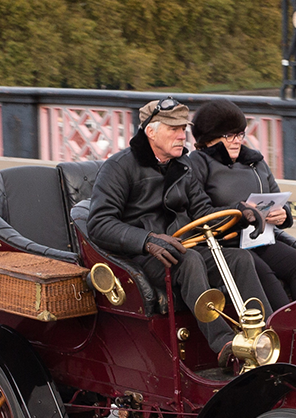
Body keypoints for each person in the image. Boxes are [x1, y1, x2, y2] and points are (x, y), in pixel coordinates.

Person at [85, 97, 270, 354]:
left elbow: (203, 212)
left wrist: (240, 213)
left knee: (239, 259)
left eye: (183, 129)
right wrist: (147, 240)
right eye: (173, 129)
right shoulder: (118, 168)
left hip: (181, 248)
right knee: (190, 260)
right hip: (140, 258)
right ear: (151, 132)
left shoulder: (183, 165)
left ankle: (267, 334)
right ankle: (223, 343)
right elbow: (99, 224)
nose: (182, 136)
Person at [186, 99, 296, 311]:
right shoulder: (197, 163)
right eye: (229, 135)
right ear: (209, 139)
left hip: (260, 239)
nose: (236, 141)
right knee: (263, 272)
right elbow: (198, 212)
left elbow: (276, 198)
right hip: (225, 244)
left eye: (240, 134)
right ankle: (284, 333)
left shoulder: (255, 162)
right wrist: (240, 214)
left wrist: (283, 214)